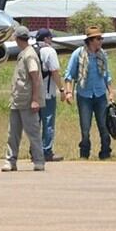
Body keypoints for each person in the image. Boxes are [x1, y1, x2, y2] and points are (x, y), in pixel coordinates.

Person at [64, 26, 115, 160]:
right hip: (84, 96)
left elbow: (107, 75)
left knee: (104, 125)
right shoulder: (78, 54)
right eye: (98, 39)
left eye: (101, 38)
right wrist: (69, 92)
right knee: (85, 128)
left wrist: (111, 93)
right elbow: (69, 74)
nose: (101, 41)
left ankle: (105, 152)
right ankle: (84, 153)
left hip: (100, 95)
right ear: (91, 40)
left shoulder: (102, 54)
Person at [3, 26, 46, 172]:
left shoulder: (29, 55)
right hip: (17, 100)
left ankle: (39, 161)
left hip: (28, 102)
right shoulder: (23, 54)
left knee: (33, 133)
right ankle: (11, 161)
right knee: (13, 134)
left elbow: (35, 78)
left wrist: (35, 100)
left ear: (17, 38)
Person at [35, 28, 65, 162]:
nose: (51, 40)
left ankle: (34, 150)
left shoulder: (32, 50)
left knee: (35, 123)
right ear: (46, 39)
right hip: (47, 93)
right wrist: (62, 89)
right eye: (50, 38)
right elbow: (54, 72)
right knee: (48, 122)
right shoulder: (50, 51)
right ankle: (46, 151)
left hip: (33, 93)